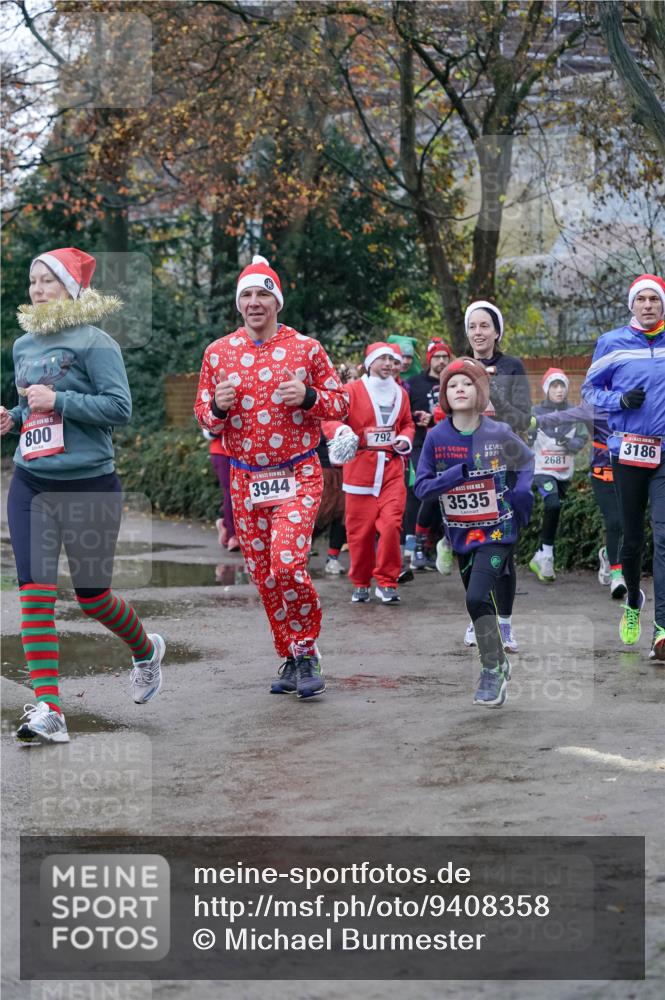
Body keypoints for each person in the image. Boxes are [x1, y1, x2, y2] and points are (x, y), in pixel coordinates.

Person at [0, 247, 166, 744]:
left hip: (90, 484)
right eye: (32, 281)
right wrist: (14, 419)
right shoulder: (23, 345)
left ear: (70, 288)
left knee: (93, 597)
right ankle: (50, 708)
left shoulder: (97, 342)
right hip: (32, 483)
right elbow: (35, 410)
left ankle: (145, 650)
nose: (37, 289)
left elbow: (119, 408)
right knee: (35, 593)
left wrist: (60, 400)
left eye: (47, 280)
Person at [194, 255, 348, 697]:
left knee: (286, 564)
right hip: (245, 481)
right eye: (247, 294)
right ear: (239, 303)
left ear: (277, 301)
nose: (255, 301)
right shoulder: (218, 353)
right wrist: (219, 408)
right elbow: (204, 416)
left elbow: (339, 404)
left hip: (298, 473)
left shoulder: (306, 348)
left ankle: (307, 650)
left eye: (264, 293)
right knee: (264, 576)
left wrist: (308, 396)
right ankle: (290, 655)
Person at [415, 359, 534, 707]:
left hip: (498, 532)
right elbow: (422, 488)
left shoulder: (497, 433)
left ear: (480, 392)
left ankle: (491, 670)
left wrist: (522, 496)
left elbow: (525, 462)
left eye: (467, 384)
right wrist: (455, 476)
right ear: (444, 396)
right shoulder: (437, 438)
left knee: (475, 596)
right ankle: (498, 661)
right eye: (452, 385)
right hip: (461, 537)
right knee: (477, 602)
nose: (460, 389)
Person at [582, 273, 665, 658]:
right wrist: (619, 402)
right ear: (631, 305)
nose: (648, 305)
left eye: (655, 299)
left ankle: (662, 630)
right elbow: (588, 392)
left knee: (664, 537)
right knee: (632, 539)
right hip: (627, 451)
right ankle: (633, 601)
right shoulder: (611, 343)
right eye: (642, 299)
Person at [462, 302, 533, 652]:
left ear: (496, 331)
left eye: (485, 326)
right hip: (466, 472)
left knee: (503, 553)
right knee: (470, 548)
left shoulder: (512, 367)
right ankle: (479, 619)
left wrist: (493, 392)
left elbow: (523, 419)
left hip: (506, 470)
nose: (478, 332)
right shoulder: (459, 368)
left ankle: (504, 624)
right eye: (473, 326)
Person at [323, 342, 415, 604]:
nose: (389, 364)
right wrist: (342, 432)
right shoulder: (350, 390)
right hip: (360, 471)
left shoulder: (401, 393)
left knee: (390, 526)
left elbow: (407, 424)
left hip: (392, 469)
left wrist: (405, 440)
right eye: (383, 359)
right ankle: (361, 581)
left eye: (393, 360)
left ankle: (387, 582)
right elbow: (330, 418)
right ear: (370, 362)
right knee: (359, 533)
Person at [535, 399, 626, 599]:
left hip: (631, 474)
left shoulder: (634, 402)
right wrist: (534, 420)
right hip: (603, 474)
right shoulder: (593, 405)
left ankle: (608, 556)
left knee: (627, 526)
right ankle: (618, 576)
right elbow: (563, 416)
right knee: (614, 522)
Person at [528, 368, 588, 582]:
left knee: (556, 509)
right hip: (542, 470)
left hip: (564, 472)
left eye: (562, 385)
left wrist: (569, 443)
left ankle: (539, 555)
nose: (559, 390)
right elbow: (526, 438)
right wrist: (530, 432)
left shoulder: (575, 413)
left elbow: (581, 439)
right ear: (546, 389)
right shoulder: (536, 411)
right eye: (554, 385)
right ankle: (548, 555)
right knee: (552, 504)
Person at [406, 339, 454, 570]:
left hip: (450, 446)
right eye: (437, 356)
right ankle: (417, 547)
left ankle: (436, 545)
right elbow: (404, 413)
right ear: (429, 359)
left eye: (445, 356)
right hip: (421, 446)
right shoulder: (414, 384)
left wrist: (437, 418)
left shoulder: (455, 381)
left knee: (446, 495)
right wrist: (416, 417)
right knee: (429, 493)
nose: (442, 361)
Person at [206, 431, 240, 551]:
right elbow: (209, 431)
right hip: (221, 452)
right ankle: (232, 535)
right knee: (231, 491)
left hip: (245, 452)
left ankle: (225, 524)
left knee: (245, 493)